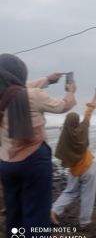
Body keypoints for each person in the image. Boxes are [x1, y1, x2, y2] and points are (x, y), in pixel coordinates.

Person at [0, 53, 77, 237]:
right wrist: (71, 91)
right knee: (37, 215)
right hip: (33, 161)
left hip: (5, 163)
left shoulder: (5, 96)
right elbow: (63, 106)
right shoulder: (33, 96)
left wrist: (48, 80)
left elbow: (21, 89)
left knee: (15, 212)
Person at [51, 88, 96, 227]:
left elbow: (61, 153)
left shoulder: (64, 135)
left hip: (74, 170)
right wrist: (95, 98)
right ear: (77, 121)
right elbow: (88, 114)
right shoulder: (83, 128)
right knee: (88, 195)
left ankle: (54, 210)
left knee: (70, 192)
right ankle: (84, 222)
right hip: (88, 167)